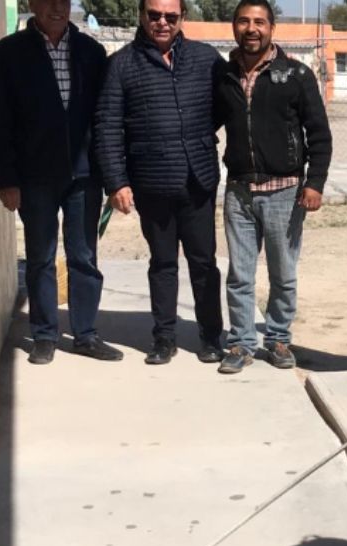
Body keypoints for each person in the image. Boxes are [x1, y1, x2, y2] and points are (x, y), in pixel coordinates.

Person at [0, 0, 122, 365]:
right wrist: (7, 179)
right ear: (32, 4)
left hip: (83, 176)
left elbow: (105, 116)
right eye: (48, 1)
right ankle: (44, 335)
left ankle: (85, 334)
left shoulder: (90, 52)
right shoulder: (7, 54)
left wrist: (110, 175)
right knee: (40, 258)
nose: (57, 9)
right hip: (34, 178)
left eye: (63, 1)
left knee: (84, 257)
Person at [94, 0, 224, 365]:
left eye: (170, 16)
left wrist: (192, 139)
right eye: (154, 15)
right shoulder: (121, 65)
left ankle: (211, 336)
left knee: (204, 262)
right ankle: (164, 338)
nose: (162, 23)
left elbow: (221, 108)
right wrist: (116, 182)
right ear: (141, 16)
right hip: (152, 183)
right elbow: (106, 127)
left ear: (182, 18)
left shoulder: (206, 59)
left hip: (198, 179)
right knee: (163, 263)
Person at [213, 0, 332, 375]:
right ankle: (241, 342)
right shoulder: (223, 74)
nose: (252, 29)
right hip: (239, 191)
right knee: (240, 274)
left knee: (283, 272)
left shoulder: (295, 74)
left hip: (285, 192)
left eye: (260, 22)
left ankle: (278, 337)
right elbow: (206, 124)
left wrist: (315, 183)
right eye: (244, 21)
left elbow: (319, 135)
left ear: (272, 28)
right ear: (234, 27)